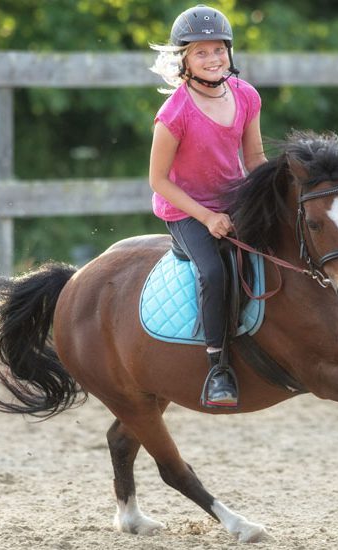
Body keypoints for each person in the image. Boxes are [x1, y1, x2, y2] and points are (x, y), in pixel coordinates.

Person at [149, 5, 267, 409]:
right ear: (184, 60)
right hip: (185, 210)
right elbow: (158, 180)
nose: (213, 58)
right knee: (214, 272)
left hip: (234, 199)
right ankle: (219, 368)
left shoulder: (247, 95)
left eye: (219, 49)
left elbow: (254, 160)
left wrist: (273, 197)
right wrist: (206, 217)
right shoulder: (173, 114)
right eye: (201, 52)